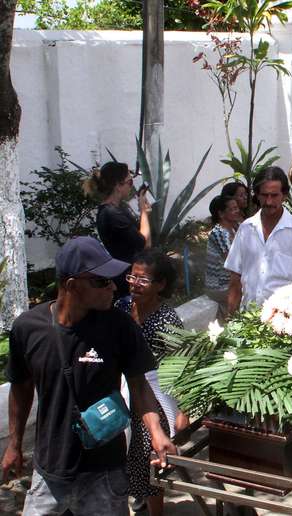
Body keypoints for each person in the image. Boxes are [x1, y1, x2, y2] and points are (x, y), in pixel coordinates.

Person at [2, 236, 175, 515]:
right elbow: (20, 389)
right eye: (101, 281)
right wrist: (14, 444)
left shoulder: (119, 327)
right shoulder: (27, 328)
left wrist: (156, 432)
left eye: (112, 280)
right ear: (72, 286)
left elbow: (139, 385)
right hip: (51, 468)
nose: (112, 287)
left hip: (105, 471)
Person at [117, 250, 186, 516]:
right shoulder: (121, 308)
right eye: (132, 277)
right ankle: (138, 496)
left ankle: (156, 510)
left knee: (150, 453)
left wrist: (183, 411)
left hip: (155, 394)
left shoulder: (167, 320)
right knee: (126, 451)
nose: (135, 283)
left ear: (161, 285)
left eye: (143, 280)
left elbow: (181, 366)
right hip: (124, 390)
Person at [225, 167, 292, 313]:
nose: (269, 201)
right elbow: (235, 277)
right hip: (247, 320)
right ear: (257, 195)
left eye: (274, 195)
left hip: (284, 322)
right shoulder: (246, 229)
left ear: (284, 196)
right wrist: (230, 317)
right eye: (264, 195)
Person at [84, 161, 151, 299]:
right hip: (126, 281)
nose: (131, 186)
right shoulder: (112, 214)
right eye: (129, 182)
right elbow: (145, 244)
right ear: (118, 186)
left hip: (129, 275)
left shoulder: (117, 209)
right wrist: (144, 212)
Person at [205, 195, 241, 319]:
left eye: (237, 208)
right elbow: (233, 262)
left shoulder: (235, 227)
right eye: (232, 209)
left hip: (232, 281)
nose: (237, 211)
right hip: (219, 285)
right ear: (221, 214)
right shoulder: (218, 233)